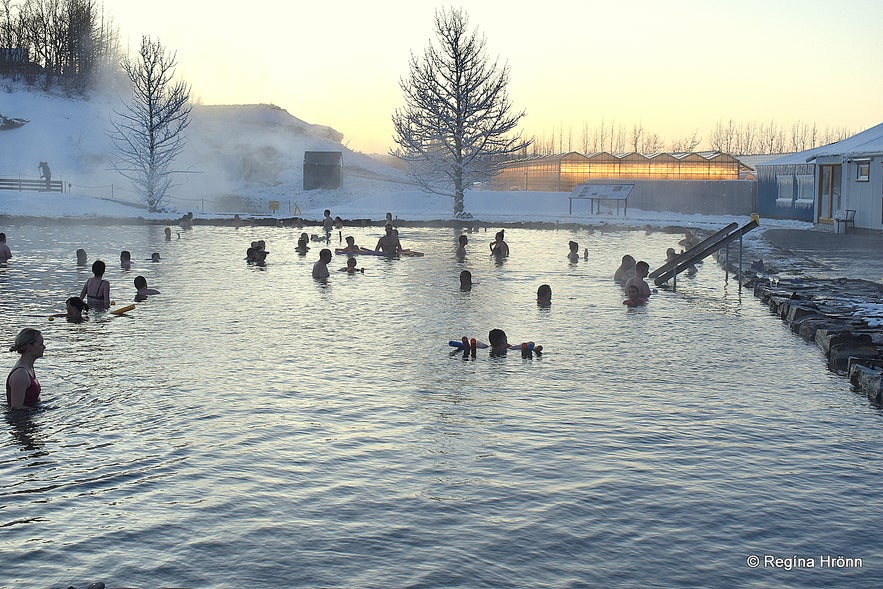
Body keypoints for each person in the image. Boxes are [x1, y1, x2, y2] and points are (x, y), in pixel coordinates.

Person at [6, 328, 44, 410]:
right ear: (29, 347)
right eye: (40, 344)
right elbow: (16, 408)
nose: (44, 347)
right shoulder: (21, 374)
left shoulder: (29, 367)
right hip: (21, 421)